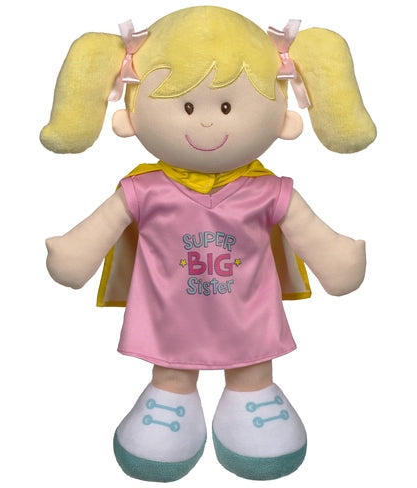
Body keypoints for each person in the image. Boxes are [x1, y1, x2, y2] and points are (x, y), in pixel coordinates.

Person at [41, 6, 375, 482]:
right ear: (131, 116)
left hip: (249, 321)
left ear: (283, 117)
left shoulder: (267, 191)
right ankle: (171, 397)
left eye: (226, 107)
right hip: (170, 321)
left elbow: (310, 233)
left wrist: (338, 258)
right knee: (172, 373)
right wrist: (74, 254)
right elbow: (98, 231)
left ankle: (252, 395)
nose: (205, 124)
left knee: (251, 370)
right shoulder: (145, 190)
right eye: (187, 107)